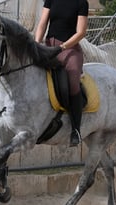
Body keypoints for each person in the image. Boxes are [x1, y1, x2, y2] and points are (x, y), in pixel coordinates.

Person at [35, 0, 89, 147]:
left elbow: (81, 32)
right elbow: (42, 23)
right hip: (48, 47)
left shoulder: (81, 3)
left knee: (73, 83)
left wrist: (63, 47)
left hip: (69, 50)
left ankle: (75, 130)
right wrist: (36, 44)